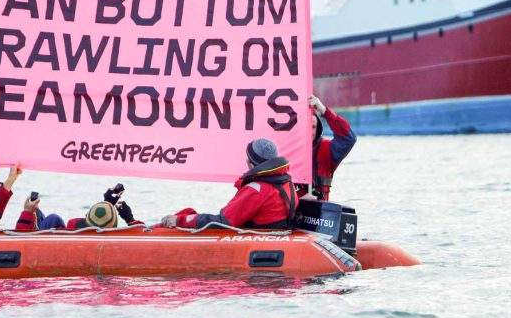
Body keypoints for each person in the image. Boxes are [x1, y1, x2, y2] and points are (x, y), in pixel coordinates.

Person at [160, 138, 297, 230]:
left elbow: (224, 221)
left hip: (257, 237)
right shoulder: (286, 181)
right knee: (189, 212)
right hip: (276, 233)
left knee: (186, 215)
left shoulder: (257, 189)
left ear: (250, 163)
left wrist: (180, 221)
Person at [300, 94, 356, 202]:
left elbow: (349, 139)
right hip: (290, 211)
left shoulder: (326, 150)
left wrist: (324, 111)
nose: (309, 132)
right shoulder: (284, 150)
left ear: (318, 129)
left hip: (318, 213)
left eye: (313, 127)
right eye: (306, 126)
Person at [65, 184, 141, 229]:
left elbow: (86, 224)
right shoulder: (118, 238)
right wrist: (130, 219)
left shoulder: (72, 225)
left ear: (88, 215)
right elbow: (142, 233)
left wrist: (107, 203)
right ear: (114, 224)